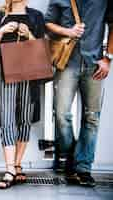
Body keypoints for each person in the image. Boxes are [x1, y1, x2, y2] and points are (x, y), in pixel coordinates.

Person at [45, 0, 113, 187]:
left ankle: (83, 168)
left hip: (94, 63)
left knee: (92, 117)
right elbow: (48, 23)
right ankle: (70, 157)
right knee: (61, 114)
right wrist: (68, 31)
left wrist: (108, 58)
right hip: (67, 63)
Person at [0, 0, 45, 189]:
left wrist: (28, 34)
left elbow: (42, 47)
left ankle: (17, 164)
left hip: (30, 73)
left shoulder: (35, 16)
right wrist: (2, 30)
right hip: (6, 71)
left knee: (25, 118)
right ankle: (10, 169)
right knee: (8, 117)